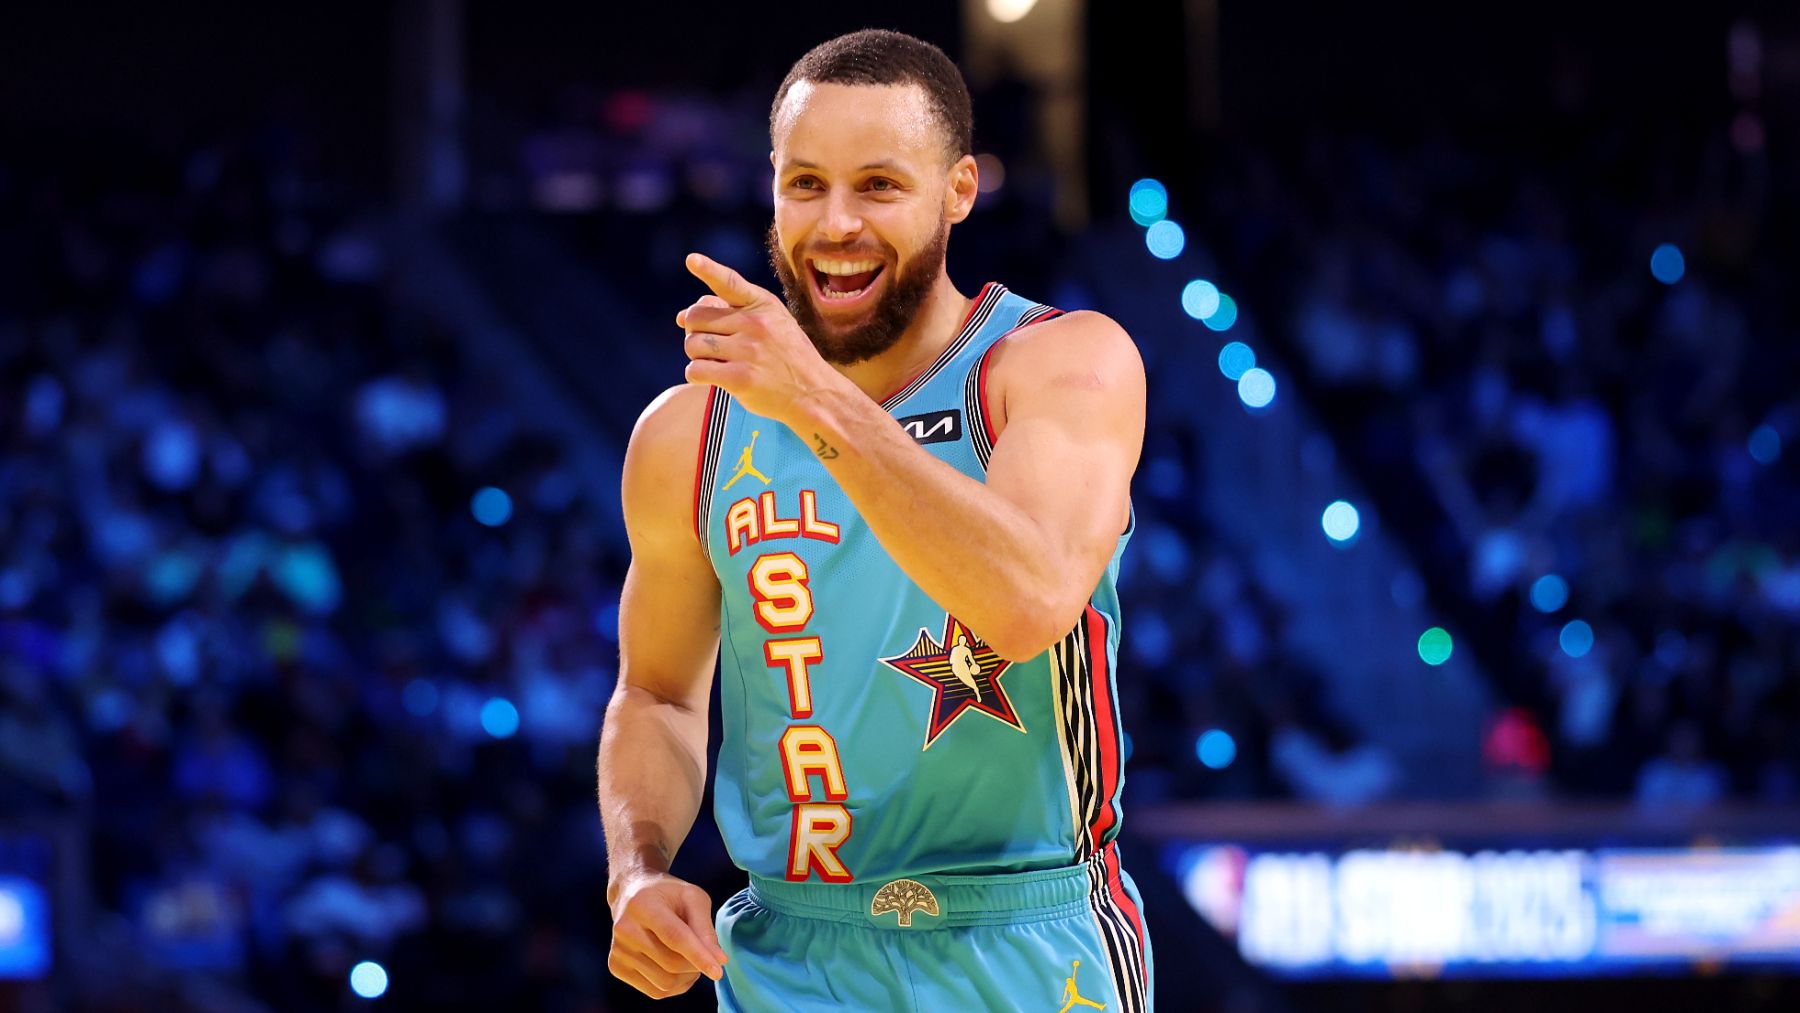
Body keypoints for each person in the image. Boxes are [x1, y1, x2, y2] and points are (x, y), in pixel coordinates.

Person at [597, 29, 1151, 1010]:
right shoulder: (690, 432)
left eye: (880, 186)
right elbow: (658, 696)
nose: (837, 220)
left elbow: (1025, 603)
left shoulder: (1058, 365)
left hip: (1023, 938)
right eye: (806, 183)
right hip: (787, 949)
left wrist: (814, 400)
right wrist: (637, 866)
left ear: (959, 190)